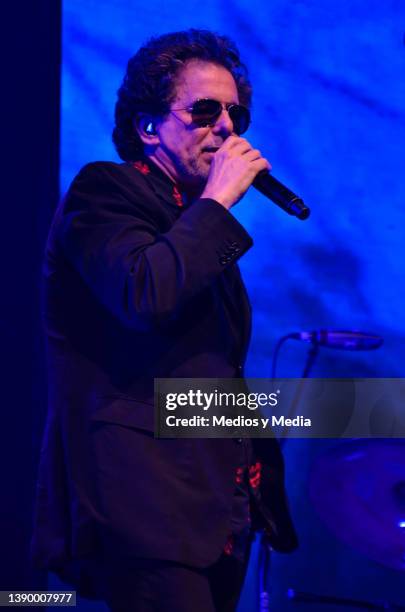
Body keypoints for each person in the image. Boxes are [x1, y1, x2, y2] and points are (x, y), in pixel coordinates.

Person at [31, 29, 297, 611]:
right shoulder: (104, 193)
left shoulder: (197, 232)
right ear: (148, 127)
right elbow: (144, 294)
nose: (226, 128)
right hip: (142, 506)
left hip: (214, 512)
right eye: (205, 111)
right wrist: (217, 203)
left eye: (236, 114)